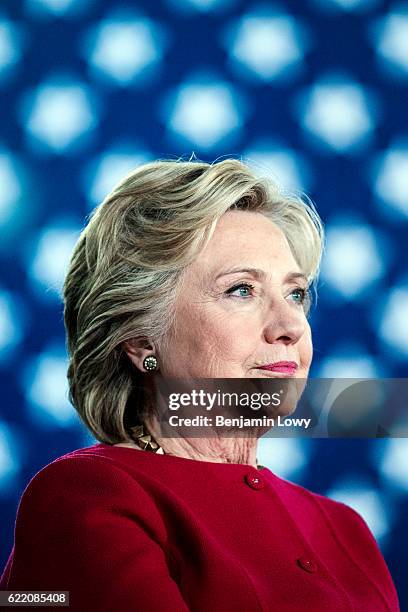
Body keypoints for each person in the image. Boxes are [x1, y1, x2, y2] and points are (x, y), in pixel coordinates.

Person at [0, 159, 399, 611]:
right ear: (137, 337)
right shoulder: (87, 495)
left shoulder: (345, 529)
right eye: (242, 290)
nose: (291, 326)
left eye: (296, 293)